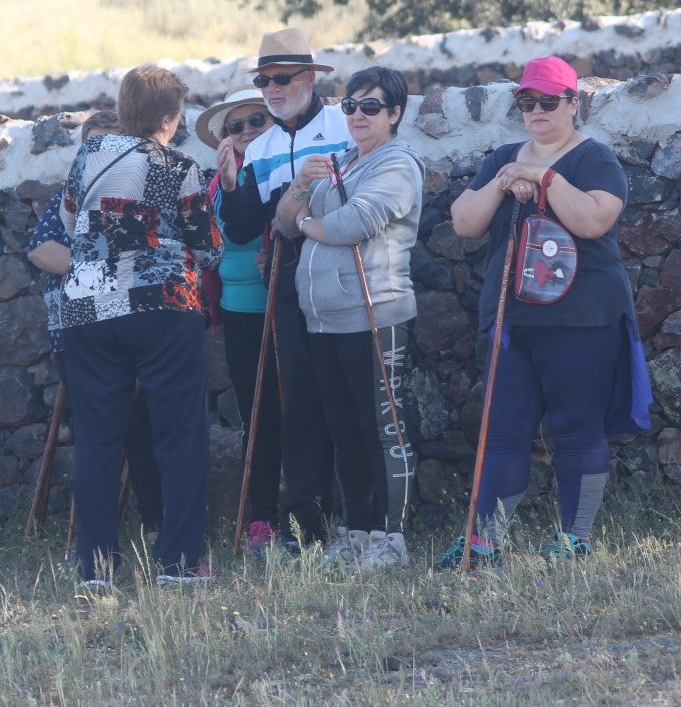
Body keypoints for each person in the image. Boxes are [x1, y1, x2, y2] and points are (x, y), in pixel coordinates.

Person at [437, 56, 652, 568]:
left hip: (582, 319)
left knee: (577, 427)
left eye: (548, 101)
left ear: (573, 104)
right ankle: (483, 543)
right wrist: (506, 178)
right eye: (527, 101)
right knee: (504, 430)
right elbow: (464, 223)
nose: (536, 110)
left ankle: (574, 540)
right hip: (512, 319)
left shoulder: (595, 160)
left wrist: (544, 178)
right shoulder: (502, 158)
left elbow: (595, 220)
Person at [59, 65, 222, 587]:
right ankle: (177, 563)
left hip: (87, 308)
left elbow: (67, 222)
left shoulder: (87, 156)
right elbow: (209, 249)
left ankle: (96, 569)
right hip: (163, 308)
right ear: (170, 118)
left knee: (98, 440)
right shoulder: (181, 167)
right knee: (179, 435)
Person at [276, 67, 424, 571]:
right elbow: (282, 219)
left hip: (375, 312)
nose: (358, 116)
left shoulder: (399, 165)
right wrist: (299, 187)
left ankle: (392, 537)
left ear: (395, 113)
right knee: (343, 428)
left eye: (371, 107)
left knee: (381, 427)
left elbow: (351, 225)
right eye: (351, 107)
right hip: (324, 318)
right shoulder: (335, 162)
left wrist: (302, 221)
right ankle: (358, 530)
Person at [216, 28, 349, 549]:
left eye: (283, 78)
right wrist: (229, 184)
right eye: (264, 79)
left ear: (310, 78)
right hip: (289, 280)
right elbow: (247, 227)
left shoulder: (347, 123)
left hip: (345, 271)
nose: (272, 88)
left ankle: (367, 522)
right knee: (299, 403)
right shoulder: (263, 146)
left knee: (350, 399)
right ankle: (307, 528)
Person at [27, 110, 164, 541]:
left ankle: (157, 524)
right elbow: (42, 251)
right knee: (102, 429)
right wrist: (104, 271)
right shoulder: (69, 199)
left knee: (145, 425)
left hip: (138, 332)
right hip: (80, 335)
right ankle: (98, 544)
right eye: (95, 146)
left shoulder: (148, 196)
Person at [194, 87, 283, 553]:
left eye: (257, 121)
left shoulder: (281, 171)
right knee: (256, 416)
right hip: (237, 314)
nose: (246, 131)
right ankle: (263, 520)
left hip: (287, 309)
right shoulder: (215, 186)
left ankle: (311, 515)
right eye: (237, 126)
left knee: (302, 412)